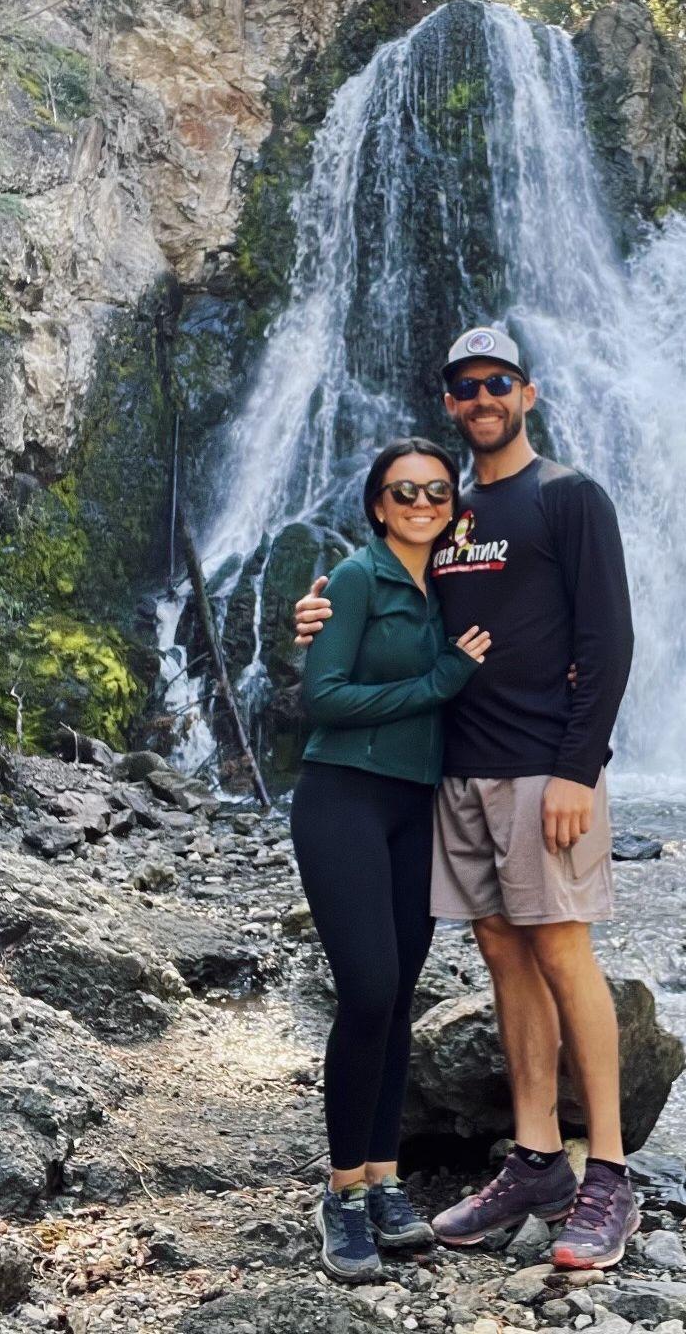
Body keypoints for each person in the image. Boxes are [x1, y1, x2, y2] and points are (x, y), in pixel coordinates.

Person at [295, 325, 638, 1270]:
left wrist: (580, 766)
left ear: (526, 393)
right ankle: (535, 1159)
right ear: (449, 405)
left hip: (544, 768)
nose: (482, 399)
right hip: (454, 771)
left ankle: (607, 1172)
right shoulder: (449, 520)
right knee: (501, 950)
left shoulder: (569, 497)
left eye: (498, 383)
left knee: (563, 946)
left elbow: (608, 642)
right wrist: (321, 613)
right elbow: (389, 605)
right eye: (464, 388)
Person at [292, 436, 492, 1283]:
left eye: (437, 492)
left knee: (400, 995)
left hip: (418, 807)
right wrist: (441, 680)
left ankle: (383, 1180)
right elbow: (322, 697)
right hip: (344, 797)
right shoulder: (353, 579)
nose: (421, 502)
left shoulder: (452, 583)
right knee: (368, 988)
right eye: (404, 491)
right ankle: (339, 1197)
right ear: (377, 504)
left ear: (452, 506)